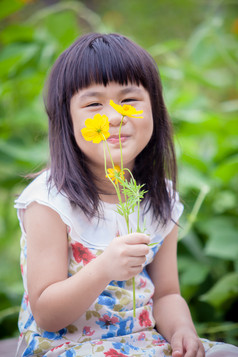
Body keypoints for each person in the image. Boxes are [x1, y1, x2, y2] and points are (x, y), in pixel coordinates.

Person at [14, 33, 238, 357]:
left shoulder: (160, 199)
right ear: (67, 120)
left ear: (155, 110)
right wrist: (103, 267)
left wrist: (182, 331)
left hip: (143, 342)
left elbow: (166, 295)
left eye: (129, 100)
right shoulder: (50, 202)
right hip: (70, 347)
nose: (115, 117)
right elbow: (47, 314)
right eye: (94, 104)